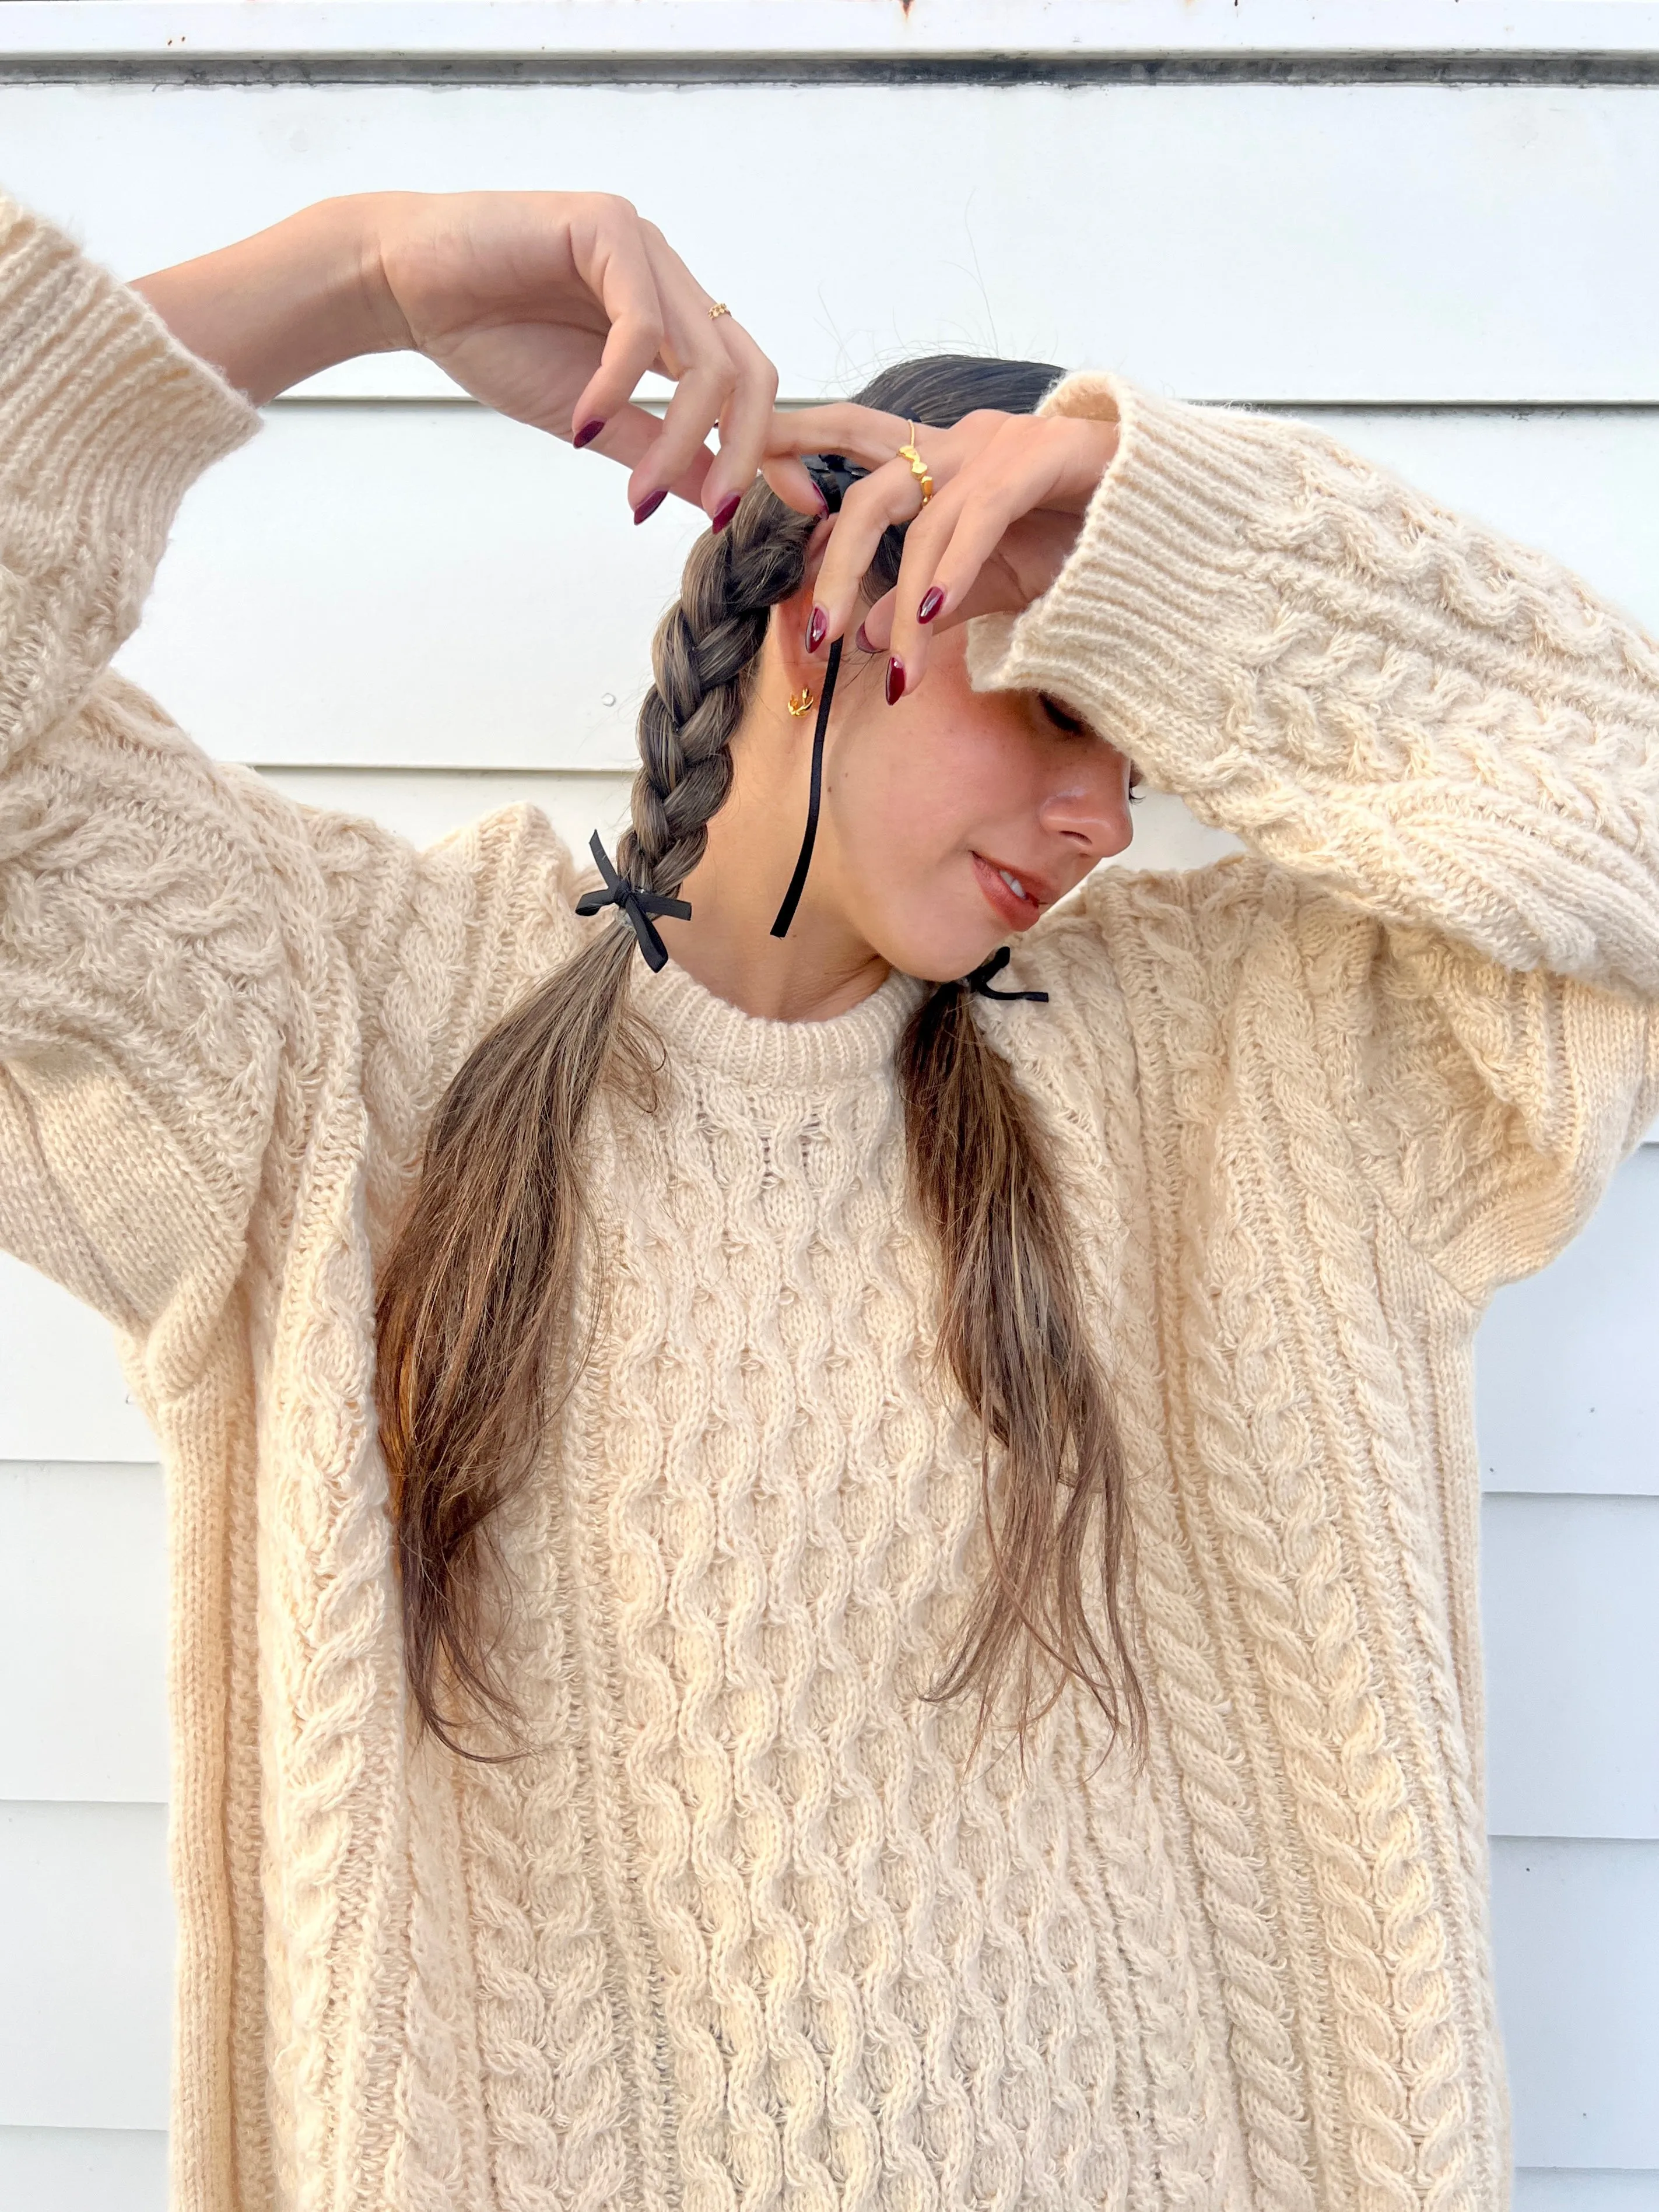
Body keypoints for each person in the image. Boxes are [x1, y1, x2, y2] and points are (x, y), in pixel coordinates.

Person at [2, 182, 1655, 2212]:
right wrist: (357, 275)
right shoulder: (327, 1027)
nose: (1108, 818)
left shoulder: (1249, 1065)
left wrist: (1184, 544)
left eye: (1148, 749)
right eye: (1059, 705)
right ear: (831, 608)